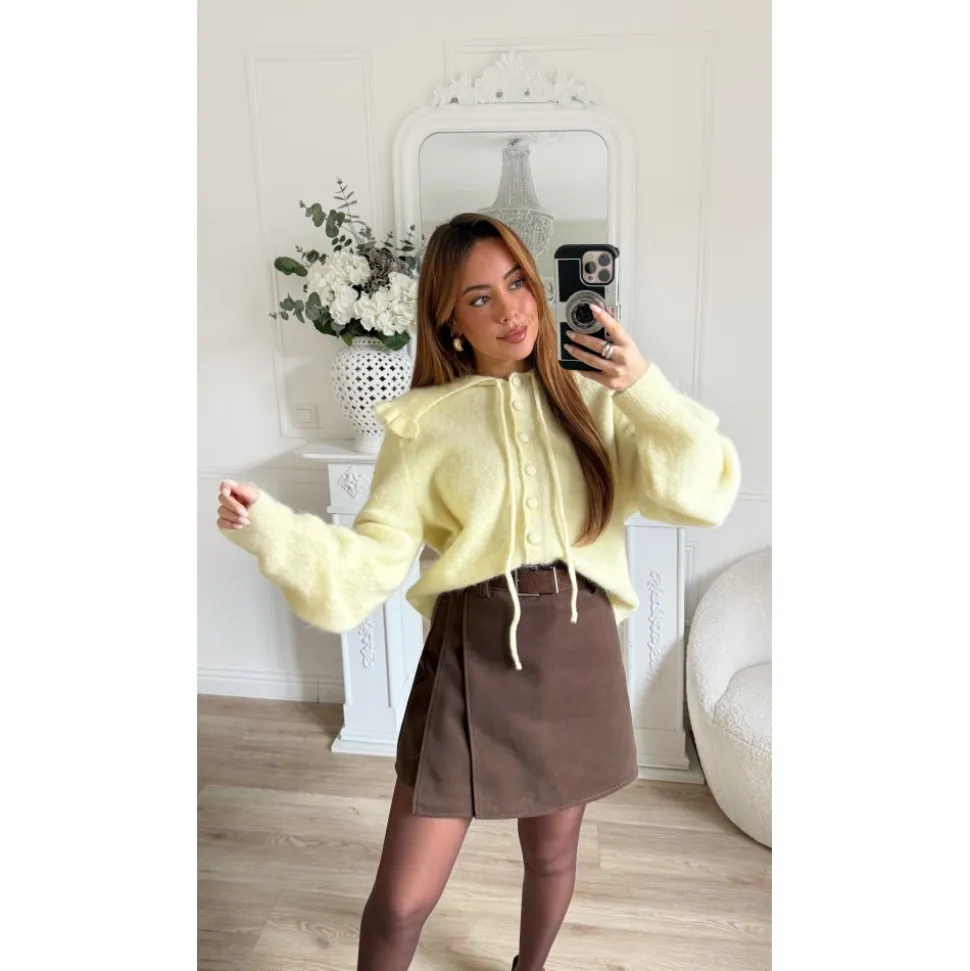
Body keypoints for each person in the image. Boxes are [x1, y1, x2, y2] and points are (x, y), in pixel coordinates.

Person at [216, 213, 741, 971]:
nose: (511, 310)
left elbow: (699, 493)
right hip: (472, 654)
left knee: (553, 856)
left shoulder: (596, 398)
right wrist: (270, 529)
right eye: (480, 298)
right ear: (449, 322)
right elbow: (370, 558)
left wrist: (643, 388)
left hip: (578, 649)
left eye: (517, 282)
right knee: (400, 901)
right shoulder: (422, 424)